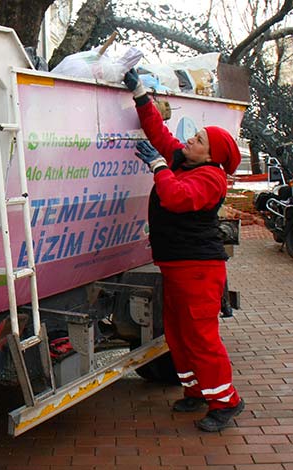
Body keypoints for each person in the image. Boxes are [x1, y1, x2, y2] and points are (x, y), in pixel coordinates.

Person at [123, 68, 244, 432]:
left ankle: (226, 402)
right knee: (178, 333)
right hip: (177, 267)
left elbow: (176, 198)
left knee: (202, 337)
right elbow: (158, 131)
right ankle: (195, 390)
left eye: (200, 139)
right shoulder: (184, 159)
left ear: (211, 155)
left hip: (198, 270)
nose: (190, 139)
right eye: (195, 135)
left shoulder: (210, 178)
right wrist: (142, 94)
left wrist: (158, 166)